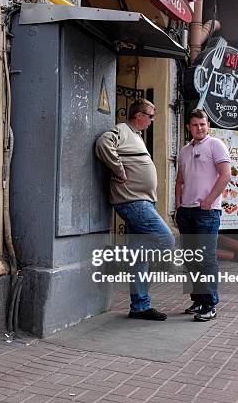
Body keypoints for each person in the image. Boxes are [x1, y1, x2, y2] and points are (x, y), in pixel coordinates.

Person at [95, 99, 175, 321]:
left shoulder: (136, 136)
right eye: (150, 116)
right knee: (166, 240)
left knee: (140, 258)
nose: (152, 120)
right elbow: (103, 143)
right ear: (138, 115)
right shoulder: (122, 130)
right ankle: (126, 267)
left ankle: (140, 306)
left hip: (141, 202)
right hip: (133, 202)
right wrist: (118, 170)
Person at [175, 109, 231, 322]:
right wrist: (178, 203)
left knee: (206, 259)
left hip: (207, 212)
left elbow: (226, 176)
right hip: (186, 212)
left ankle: (209, 304)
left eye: (203, 124)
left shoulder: (215, 145)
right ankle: (198, 300)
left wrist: (209, 201)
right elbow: (180, 179)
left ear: (207, 125)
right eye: (195, 125)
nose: (199, 128)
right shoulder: (184, 150)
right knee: (191, 259)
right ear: (189, 127)